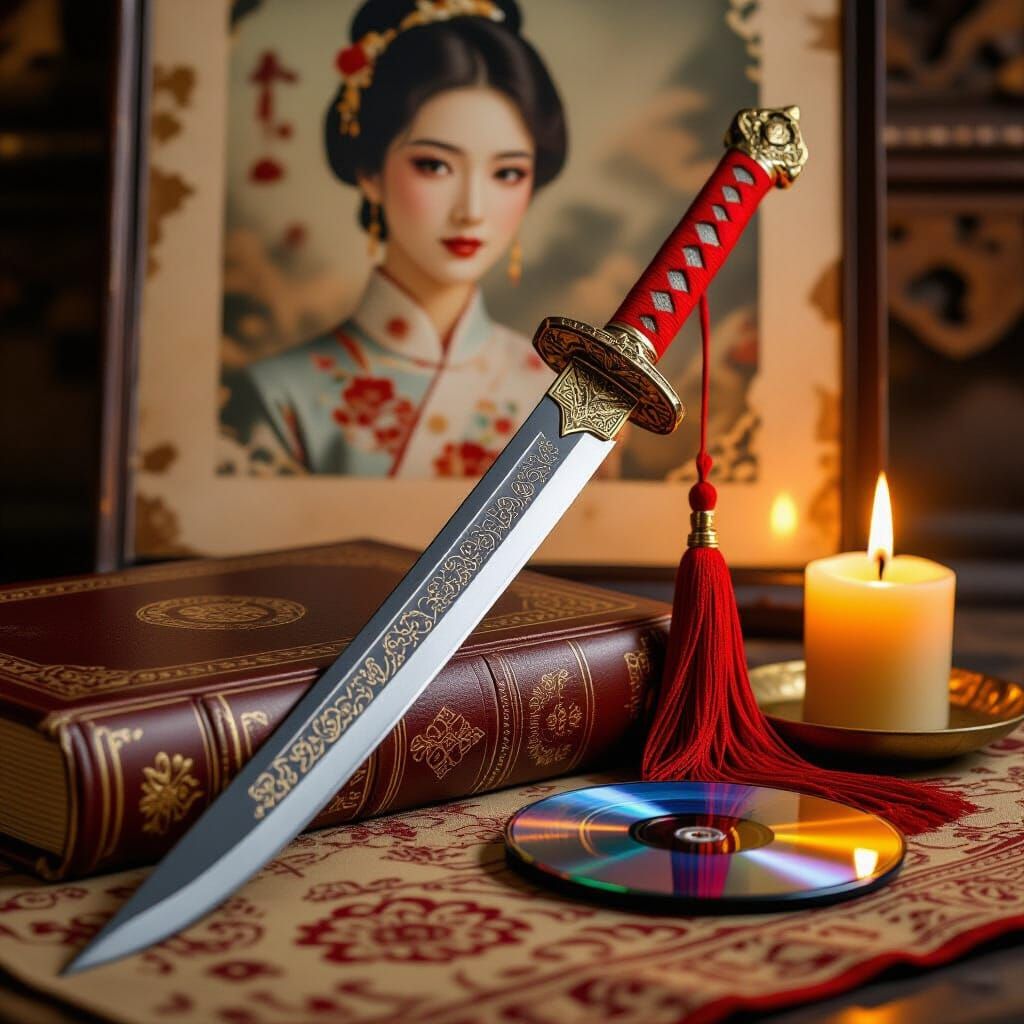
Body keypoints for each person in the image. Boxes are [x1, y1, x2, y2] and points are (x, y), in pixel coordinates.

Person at [224, 0, 567, 477]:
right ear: (369, 171)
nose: (471, 209)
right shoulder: (277, 395)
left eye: (507, 173)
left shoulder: (561, 400)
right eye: (434, 165)